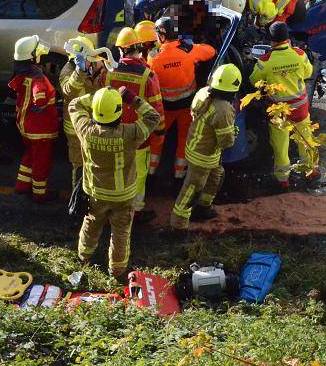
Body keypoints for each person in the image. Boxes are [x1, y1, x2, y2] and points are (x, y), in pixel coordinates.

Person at [70, 86, 161, 279]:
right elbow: (154, 118)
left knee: (91, 223)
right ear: (119, 113)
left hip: (95, 192)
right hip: (124, 195)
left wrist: (96, 96)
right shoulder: (130, 134)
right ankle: (117, 270)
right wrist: (132, 99)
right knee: (121, 232)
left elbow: (74, 104)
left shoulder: (85, 130)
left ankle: (83, 257)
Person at [101, 28, 165, 222]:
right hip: (139, 137)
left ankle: (111, 208)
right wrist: (159, 134)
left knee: (115, 172)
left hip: (113, 131)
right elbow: (157, 109)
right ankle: (135, 211)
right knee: (138, 175)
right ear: (140, 49)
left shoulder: (108, 73)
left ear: (121, 50)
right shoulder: (148, 75)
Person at [249, 23, 320, 187]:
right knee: (305, 139)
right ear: (287, 39)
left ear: (272, 41)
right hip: (300, 108)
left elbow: (254, 81)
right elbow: (309, 73)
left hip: (279, 112)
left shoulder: (265, 61)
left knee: (281, 146)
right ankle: (310, 170)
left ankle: (283, 180)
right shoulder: (299, 54)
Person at [171, 63, 240, 229]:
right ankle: (178, 226)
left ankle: (203, 207)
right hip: (204, 155)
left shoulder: (203, 93)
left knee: (216, 175)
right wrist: (233, 132)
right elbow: (226, 142)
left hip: (196, 145)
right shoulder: (223, 109)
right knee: (191, 189)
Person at [148, 16, 217, 180]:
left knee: (158, 137)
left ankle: (150, 173)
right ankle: (179, 174)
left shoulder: (153, 57)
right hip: (187, 105)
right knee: (184, 138)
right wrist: (192, 45)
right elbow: (211, 51)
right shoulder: (189, 51)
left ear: (162, 36)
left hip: (165, 108)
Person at [9, 35, 59, 202]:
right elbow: (40, 99)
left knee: (29, 155)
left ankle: (22, 186)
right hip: (41, 130)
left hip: (26, 127)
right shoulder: (37, 79)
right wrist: (42, 105)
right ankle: (40, 194)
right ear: (31, 57)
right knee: (41, 162)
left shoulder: (22, 75)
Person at [60, 36, 105, 216]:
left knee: (93, 163)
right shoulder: (68, 71)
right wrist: (80, 70)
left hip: (92, 125)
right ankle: (77, 203)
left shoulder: (92, 69)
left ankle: (92, 197)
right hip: (75, 129)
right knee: (79, 166)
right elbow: (68, 91)